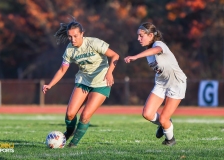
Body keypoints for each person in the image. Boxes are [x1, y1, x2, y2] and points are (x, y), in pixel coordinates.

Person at [42, 18, 119, 148]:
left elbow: (115, 56)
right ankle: (69, 133)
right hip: (83, 81)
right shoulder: (70, 50)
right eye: (70, 37)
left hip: (101, 83)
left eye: (75, 36)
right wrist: (50, 84)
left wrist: (110, 72)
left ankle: (73, 143)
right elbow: (62, 70)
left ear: (82, 33)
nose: (72, 39)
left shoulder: (94, 43)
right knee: (70, 114)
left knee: (85, 115)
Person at [124, 22, 187, 146]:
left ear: (151, 35)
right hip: (161, 83)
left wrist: (136, 57)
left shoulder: (159, 44)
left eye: (141, 36)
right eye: (138, 36)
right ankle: (165, 123)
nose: (138, 39)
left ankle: (170, 140)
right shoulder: (148, 52)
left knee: (163, 119)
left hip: (176, 83)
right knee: (147, 114)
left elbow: (157, 50)